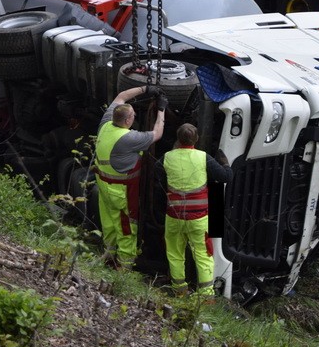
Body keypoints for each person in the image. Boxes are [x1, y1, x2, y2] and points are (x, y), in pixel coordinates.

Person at [93, 85, 166, 270]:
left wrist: (145, 88)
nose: (135, 116)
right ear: (127, 121)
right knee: (126, 227)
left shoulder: (106, 122)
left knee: (109, 222)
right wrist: (162, 110)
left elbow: (121, 96)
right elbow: (158, 133)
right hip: (121, 191)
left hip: (103, 185)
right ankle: (124, 268)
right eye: (133, 115)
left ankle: (108, 254)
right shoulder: (128, 138)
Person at [160, 123, 231, 297]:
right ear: (196, 139)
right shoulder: (203, 157)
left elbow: (157, 174)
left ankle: (179, 291)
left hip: (174, 217)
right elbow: (225, 177)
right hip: (198, 218)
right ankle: (206, 295)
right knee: (203, 254)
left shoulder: (167, 157)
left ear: (178, 139)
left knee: (175, 253)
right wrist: (225, 163)